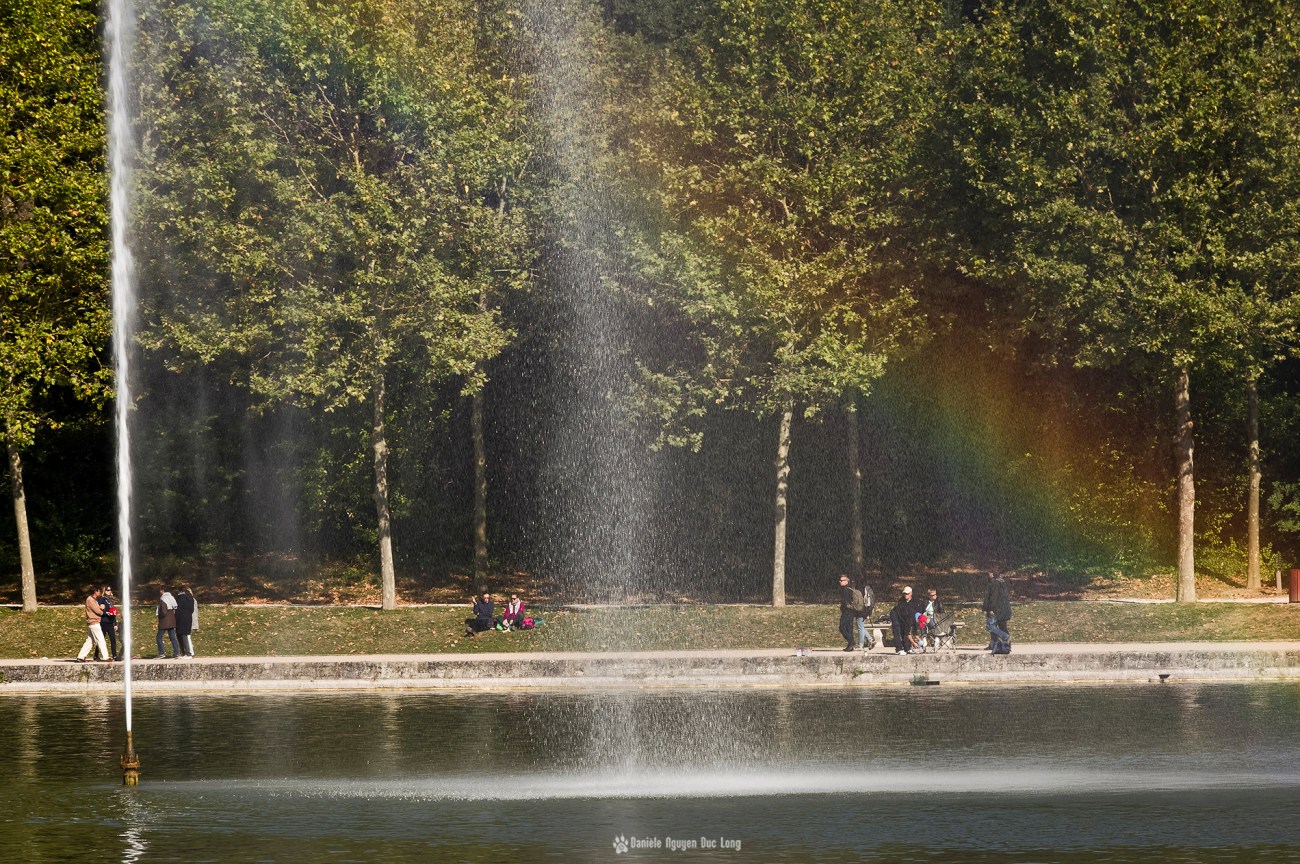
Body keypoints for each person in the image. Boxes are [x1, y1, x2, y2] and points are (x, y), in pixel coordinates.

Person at [75, 586, 111, 663]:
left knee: (90, 641)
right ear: (96, 591)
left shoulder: (93, 600)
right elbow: (98, 611)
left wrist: (101, 608)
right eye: (99, 591)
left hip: (94, 622)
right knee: (101, 639)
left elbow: (97, 609)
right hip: (94, 622)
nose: (100, 593)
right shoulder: (90, 600)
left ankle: (81, 656)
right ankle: (105, 657)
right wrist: (102, 609)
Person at [982, 572, 1013, 653]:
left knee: (991, 626)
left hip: (996, 609)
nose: (987, 576)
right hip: (1003, 609)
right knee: (1001, 627)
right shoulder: (1002, 582)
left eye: (988, 574)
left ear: (992, 574)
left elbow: (993, 597)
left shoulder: (994, 583)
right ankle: (998, 644)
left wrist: (991, 608)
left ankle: (1005, 638)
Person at [837, 575, 866, 652]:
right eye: (840, 580)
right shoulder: (850, 589)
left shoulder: (846, 590)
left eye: (841, 580)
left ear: (847, 581)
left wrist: (843, 607)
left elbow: (846, 602)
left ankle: (852, 641)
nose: (840, 581)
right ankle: (850, 645)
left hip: (847, 611)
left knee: (842, 627)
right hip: (852, 611)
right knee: (849, 628)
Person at [889, 586, 921, 655]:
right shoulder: (901, 601)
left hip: (905, 616)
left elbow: (914, 627)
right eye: (904, 594)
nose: (905, 595)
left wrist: (916, 636)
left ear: (911, 593)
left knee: (905, 630)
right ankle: (899, 649)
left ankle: (907, 648)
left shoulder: (915, 603)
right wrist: (913, 643)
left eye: (907, 593)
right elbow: (907, 632)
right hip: (896, 615)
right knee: (897, 631)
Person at [157, 587, 180, 659]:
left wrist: (159, 615)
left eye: (160, 590)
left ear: (162, 591)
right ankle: (176, 652)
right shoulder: (171, 597)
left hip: (164, 621)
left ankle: (162, 652)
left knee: (159, 637)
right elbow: (175, 608)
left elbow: (163, 611)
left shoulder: (163, 599)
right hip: (172, 620)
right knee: (172, 637)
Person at [99, 586, 121, 661]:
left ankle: (114, 655)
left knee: (113, 639)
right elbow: (99, 610)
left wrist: (115, 623)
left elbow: (114, 612)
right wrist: (105, 613)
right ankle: (96, 655)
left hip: (110, 622)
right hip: (104, 621)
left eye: (110, 590)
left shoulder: (111, 601)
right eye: (108, 590)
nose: (109, 591)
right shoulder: (102, 599)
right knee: (101, 639)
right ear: (104, 591)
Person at [175, 585, 197, 658]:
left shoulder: (179, 598)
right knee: (185, 635)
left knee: (181, 635)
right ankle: (186, 652)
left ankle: (187, 652)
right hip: (188, 618)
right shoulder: (191, 598)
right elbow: (192, 610)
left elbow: (177, 610)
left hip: (181, 618)